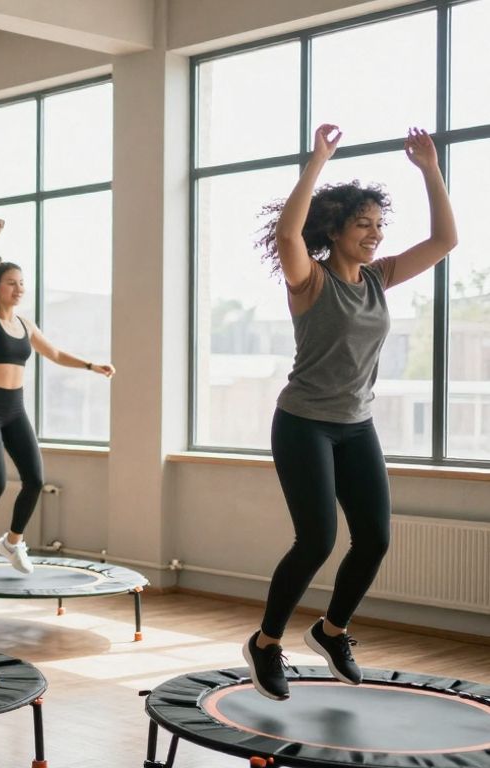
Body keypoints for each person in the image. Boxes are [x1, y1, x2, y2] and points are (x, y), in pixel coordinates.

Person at [244, 125, 456, 701]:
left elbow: (444, 240)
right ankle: (265, 644)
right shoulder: (308, 280)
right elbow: (290, 231)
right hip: (303, 423)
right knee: (316, 539)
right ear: (334, 230)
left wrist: (430, 169)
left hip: (356, 426)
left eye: (379, 226)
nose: (375, 234)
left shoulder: (379, 279)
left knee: (375, 539)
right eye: (363, 225)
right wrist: (318, 160)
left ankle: (331, 631)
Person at [0, 219, 113, 581]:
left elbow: (55, 354)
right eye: (11, 283)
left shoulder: (26, 326)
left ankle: (12, 541)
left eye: (22, 283)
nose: (19, 288)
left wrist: (92, 365)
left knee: (34, 479)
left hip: (15, 409)